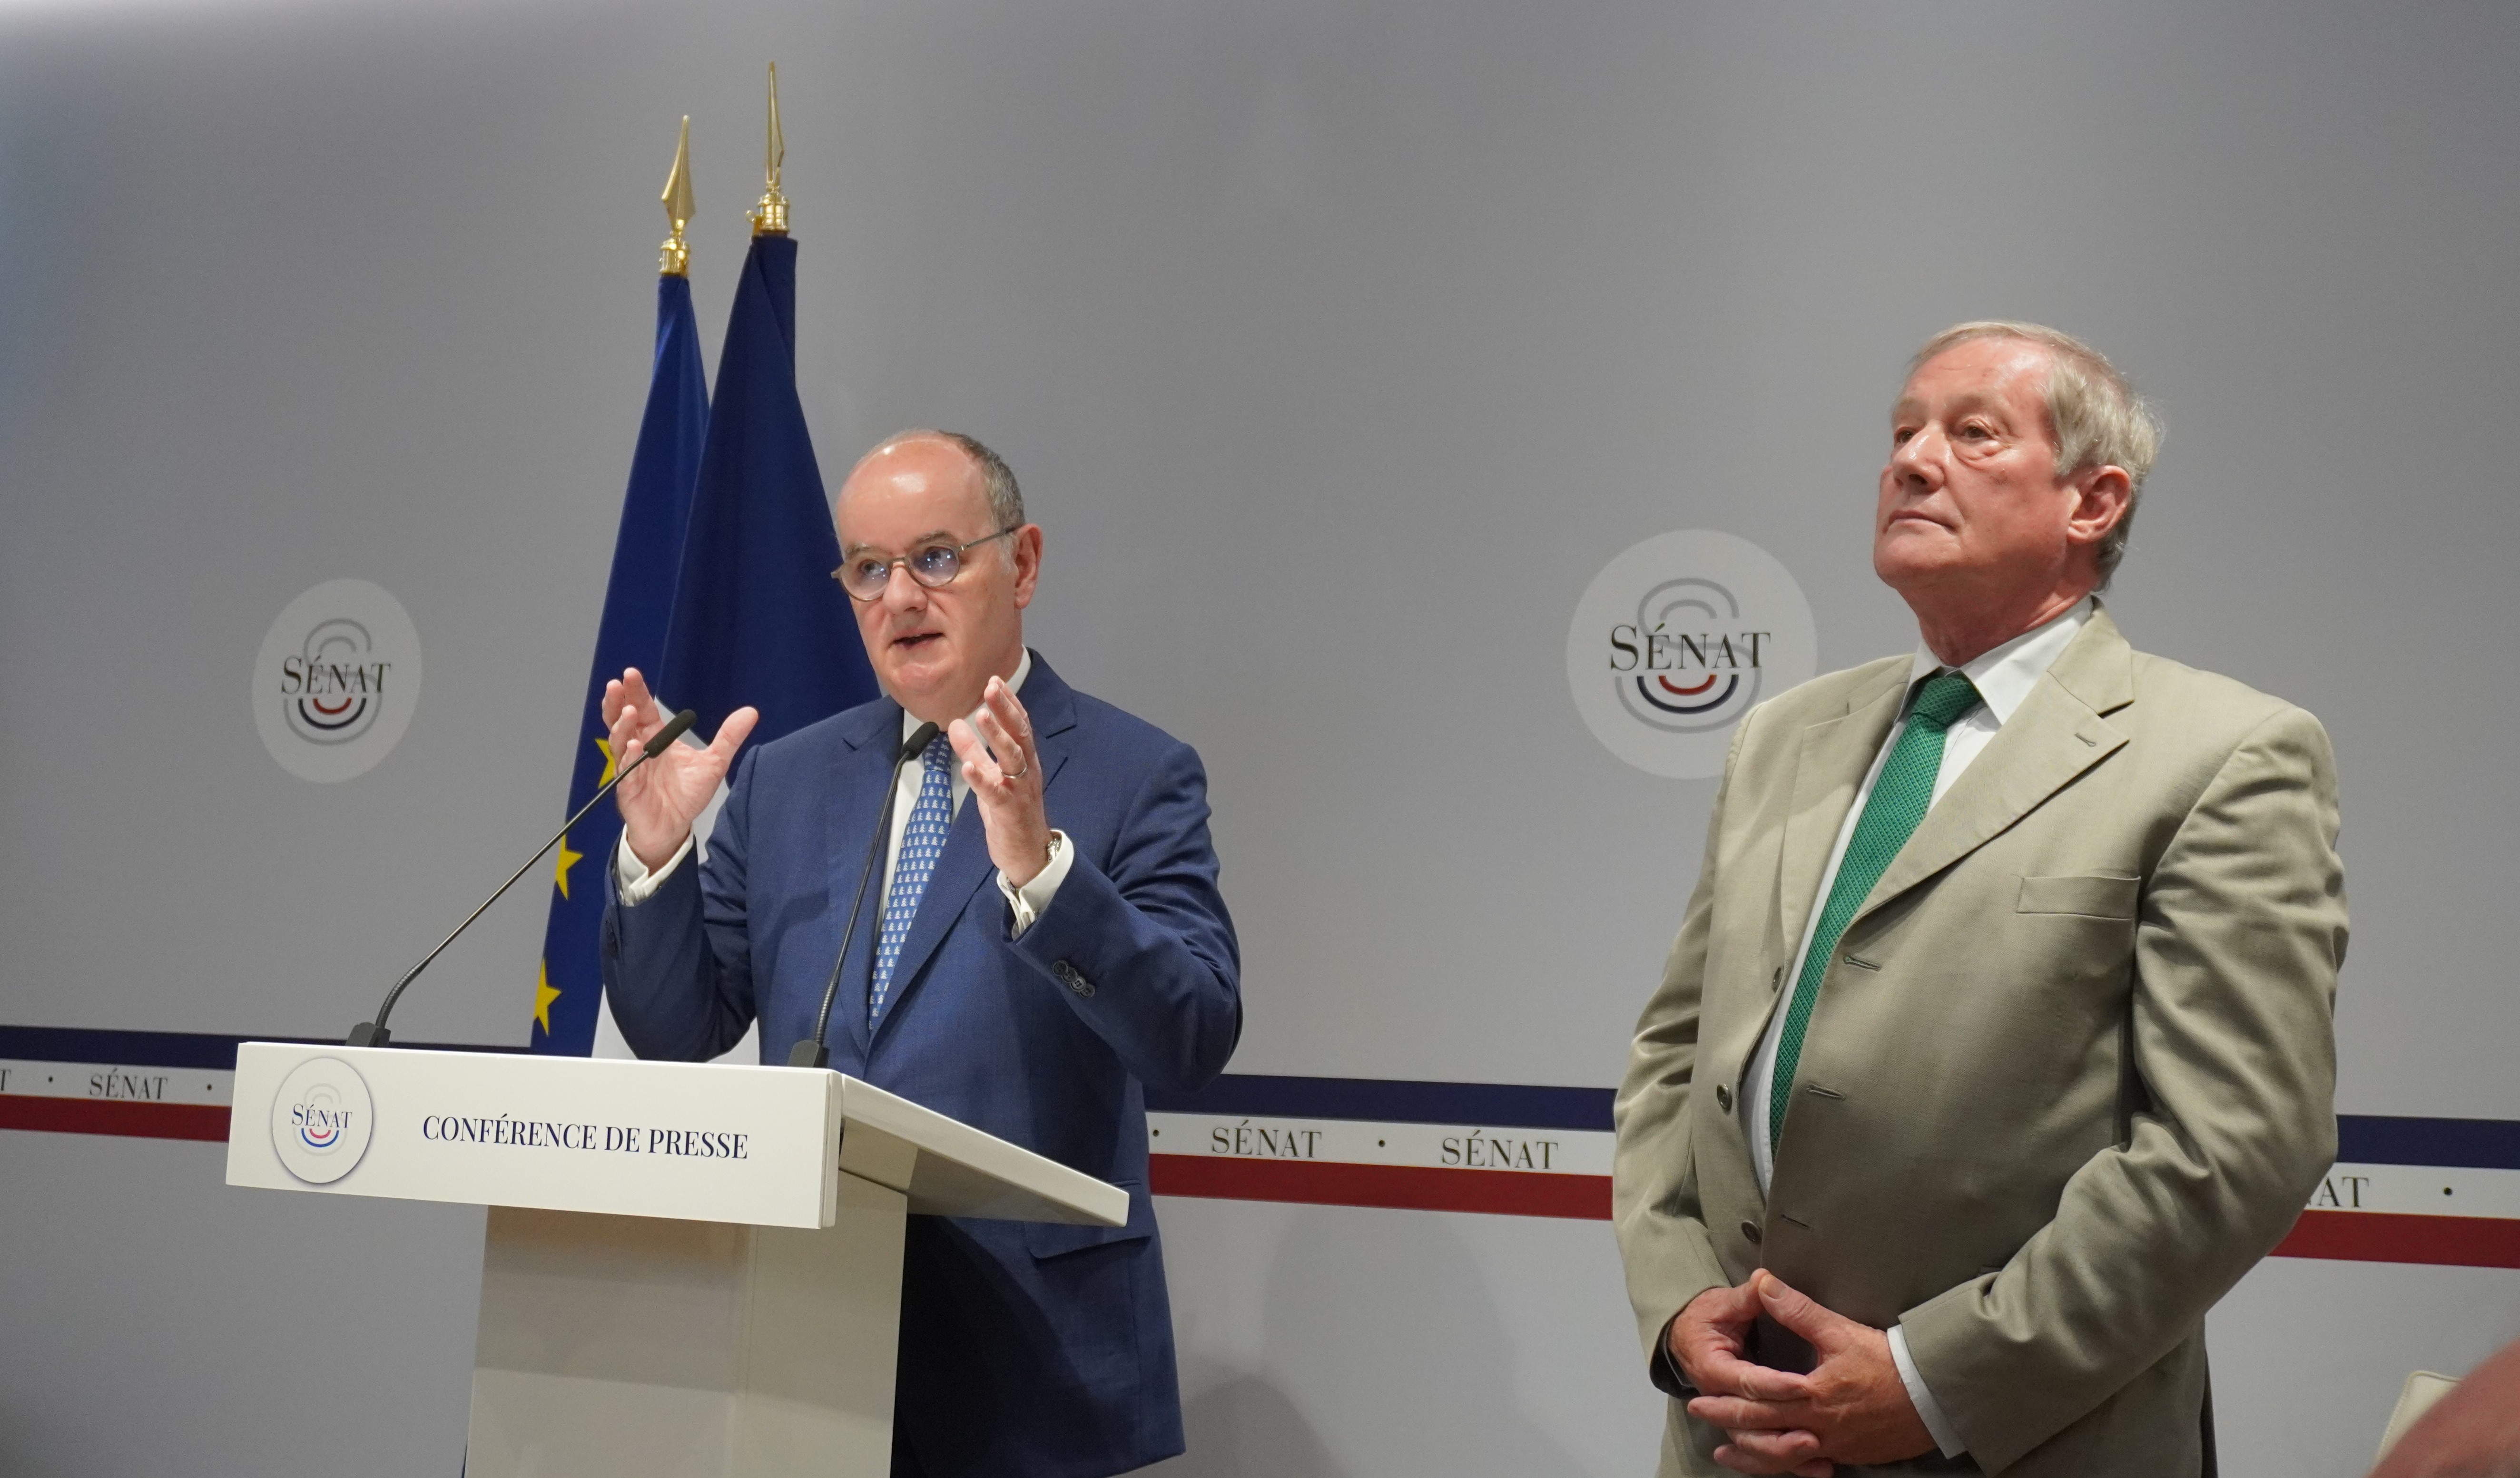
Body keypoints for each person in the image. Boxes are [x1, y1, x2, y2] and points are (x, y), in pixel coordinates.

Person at [1611, 322, 2346, 1477]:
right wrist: (1677, 1309)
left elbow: (2233, 1148)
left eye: (1971, 435)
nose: (1909, 461)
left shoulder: (2224, 755)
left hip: (2019, 1443)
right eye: (1901, 433)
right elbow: (1672, 1060)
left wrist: (1934, 1384)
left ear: (2092, 502)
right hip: (1734, 1437)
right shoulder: (1780, 737)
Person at [597, 429, 1241, 1478]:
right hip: (800, 1341)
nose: (900, 598)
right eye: (868, 569)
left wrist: (1042, 874)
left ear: (1021, 563)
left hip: (1034, 1373)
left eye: (936, 558)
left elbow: (1192, 1035)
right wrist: (658, 863)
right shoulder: (786, 781)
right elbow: (677, 1032)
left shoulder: (1135, 773)